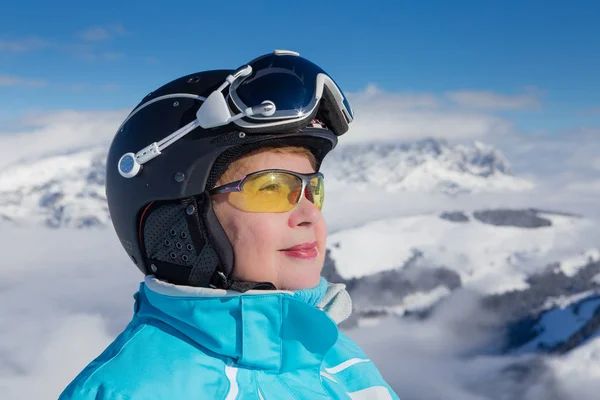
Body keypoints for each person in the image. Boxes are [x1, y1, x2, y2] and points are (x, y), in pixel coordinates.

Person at [59, 50, 400, 400]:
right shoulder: (130, 391)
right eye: (270, 188)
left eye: (312, 189)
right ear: (180, 224)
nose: (309, 215)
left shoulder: (336, 357)